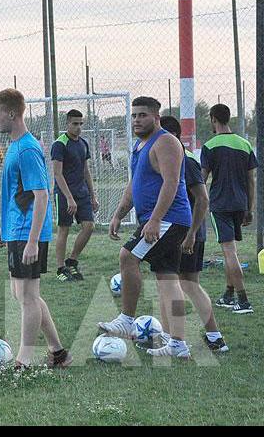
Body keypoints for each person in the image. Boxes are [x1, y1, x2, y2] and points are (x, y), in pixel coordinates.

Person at [99, 96, 193, 358]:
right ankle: (178, 345)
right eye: (134, 115)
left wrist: (154, 219)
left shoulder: (165, 142)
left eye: (143, 115)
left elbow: (171, 182)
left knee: (128, 256)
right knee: (167, 279)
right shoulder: (140, 145)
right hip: (160, 219)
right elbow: (134, 185)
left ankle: (127, 319)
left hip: (168, 219)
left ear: (156, 117)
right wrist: (119, 213)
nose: (137, 120)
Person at [0, 89, 71, 369]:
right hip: (17, 230)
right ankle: (58, 352)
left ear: (12, 113)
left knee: (27, 296)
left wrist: (33, 240)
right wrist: (5, 228)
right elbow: (17, 193)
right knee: (24, 295)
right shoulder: (14, 146)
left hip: (28, 233)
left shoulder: (26, 148)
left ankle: (23, 359)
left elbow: (42, 195)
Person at [160, 116, 228, 352]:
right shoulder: (174, 157)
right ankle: (170, 336)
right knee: (172, 283)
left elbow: (202, 199)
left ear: (171, 137)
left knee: (186, 285)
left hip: (186, 234)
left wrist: (191, 234)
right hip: (177, 233)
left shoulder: (185, 160)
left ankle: (213, 336)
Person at [201, 103, 257, 314]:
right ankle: (228, 294)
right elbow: (251, 181)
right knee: (229, 251)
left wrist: (198, 203)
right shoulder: (244, 144)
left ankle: (243, 301)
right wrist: (249, 209)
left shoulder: (210, 146)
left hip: (220, 205)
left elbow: (202, 179)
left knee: (229, 252)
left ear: (213, 119)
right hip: (240, 204)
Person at [51, 109, 98, 282]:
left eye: (81, 124)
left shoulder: (83, 144)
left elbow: (86, 170)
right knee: (64, 229)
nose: (78, 127)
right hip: (65, 194)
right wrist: (69, 197)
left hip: (82, 193)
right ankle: (60, 269)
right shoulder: (60, 144)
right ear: (67, 124)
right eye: (75, 124)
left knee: (89, 226)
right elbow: (57, 174)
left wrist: (93, 195)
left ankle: (72, 260)